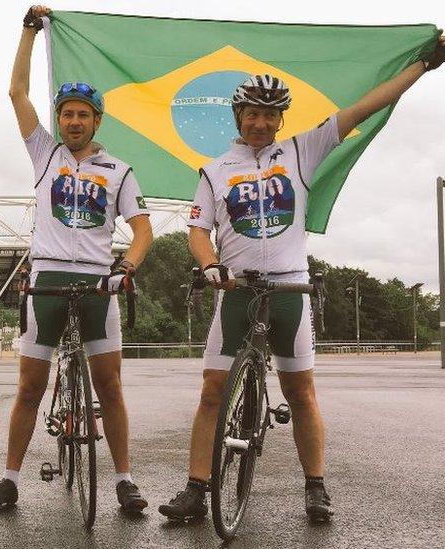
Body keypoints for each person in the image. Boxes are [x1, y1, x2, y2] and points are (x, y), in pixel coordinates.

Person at [158, 32, 445, 523]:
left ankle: (315, 485)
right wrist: (209, 266)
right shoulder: (214, 170)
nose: (261, 122)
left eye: (270, 115)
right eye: (253, 112)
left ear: (280, 120)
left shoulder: (301, 151)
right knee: (211, 391)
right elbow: (199, 232)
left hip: (290, 288)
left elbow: (363, 108)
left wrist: (422, 66)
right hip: (237, 288)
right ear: (238, 115)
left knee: (301, 393)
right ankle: (195, 488)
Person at [0, 5, 155, 516]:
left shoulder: (119, 170)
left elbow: (141, 231)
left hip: (100, 282)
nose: (74, 121)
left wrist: (127, 269)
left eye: (83, 114)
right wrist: (28, 31)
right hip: (48, 278)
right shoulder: (45, 155)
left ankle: (124, 479)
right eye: (67, 113)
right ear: (59, 120)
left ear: (97, 120)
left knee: (111, 388)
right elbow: (16, 93)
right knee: (30, 387)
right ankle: (9, 479)